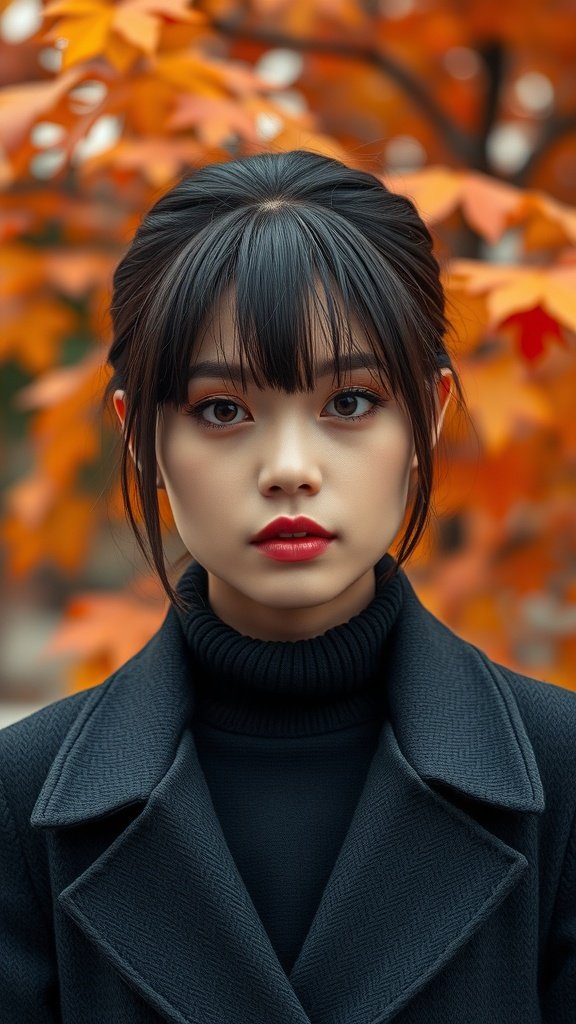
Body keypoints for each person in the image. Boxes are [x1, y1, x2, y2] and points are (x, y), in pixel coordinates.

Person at [1, 150, 575, 1024]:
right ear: (140, 436)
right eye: (222, 410)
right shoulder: (22, 803)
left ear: (431, 416)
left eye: (349, 402)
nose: (290, 470)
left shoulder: (561, 778)